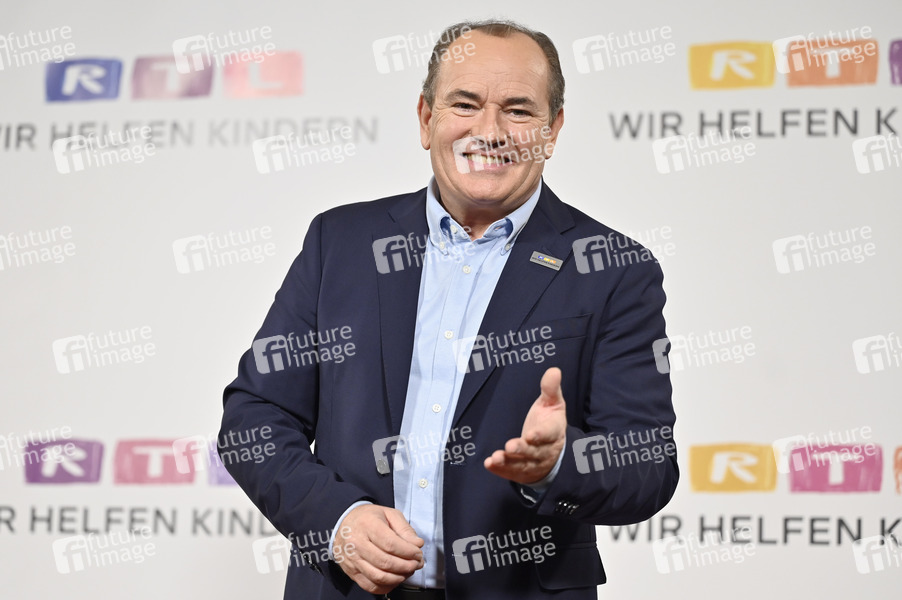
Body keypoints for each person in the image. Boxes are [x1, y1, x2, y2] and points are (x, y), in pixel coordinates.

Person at [220, 19, 678, 600]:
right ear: (425, 118)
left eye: (518, 110)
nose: (490, 131)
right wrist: (336, 520)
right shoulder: (340, 242)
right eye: (465, 104)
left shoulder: (612, 267)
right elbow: (254, 417)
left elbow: (648, 466)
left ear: (553, 129)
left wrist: (559, 463)